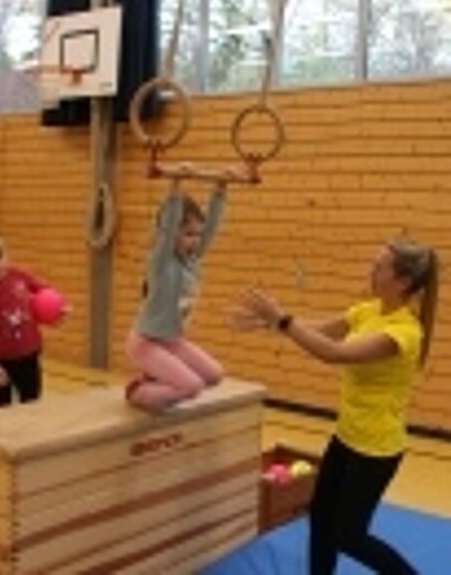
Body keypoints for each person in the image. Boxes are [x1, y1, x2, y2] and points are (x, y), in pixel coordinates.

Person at [233, 239, 439, 575]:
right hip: (346, 437)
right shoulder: (367, 311)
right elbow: (320, 329)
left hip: (376, 450)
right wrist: (273, 323)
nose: (370, 272)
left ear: (402, 282)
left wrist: (284, 322)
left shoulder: (404, 332)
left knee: (349, 536)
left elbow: (334, 353)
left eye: (379, 267)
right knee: (321, 519)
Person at [125, 164, 242, 412]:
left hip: (173, 342)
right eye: (188, 234)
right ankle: (139, 392)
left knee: (215, 376)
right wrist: (175, 188)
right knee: (191, 387)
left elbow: (211, 229)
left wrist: (220, 188)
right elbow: (167, 231)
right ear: (172, 234)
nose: (196, 241)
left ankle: (155, 379)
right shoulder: (161, 263)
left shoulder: (193, 261)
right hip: (146, 343)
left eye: (197, 235)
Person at [0, 228, 57, 407]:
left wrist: (58, 309)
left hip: (29, 355)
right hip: (1, 364)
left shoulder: (18, 277)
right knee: (2, 411)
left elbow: (45, 292)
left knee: (32, 406)